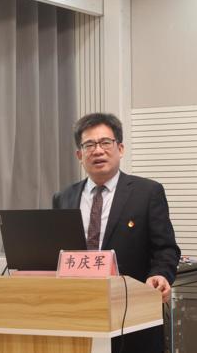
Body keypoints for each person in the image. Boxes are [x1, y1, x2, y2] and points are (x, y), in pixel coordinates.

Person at [52, 112, 180, 353]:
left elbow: (165, 248)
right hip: (78, 312)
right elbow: (57, 253)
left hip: (132, 314)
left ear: (120, 148)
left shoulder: (147, 192)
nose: (98, 151)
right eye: (89, 145)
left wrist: (161, 274)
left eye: (105, 142)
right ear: (79, 155)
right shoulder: (63, 198)